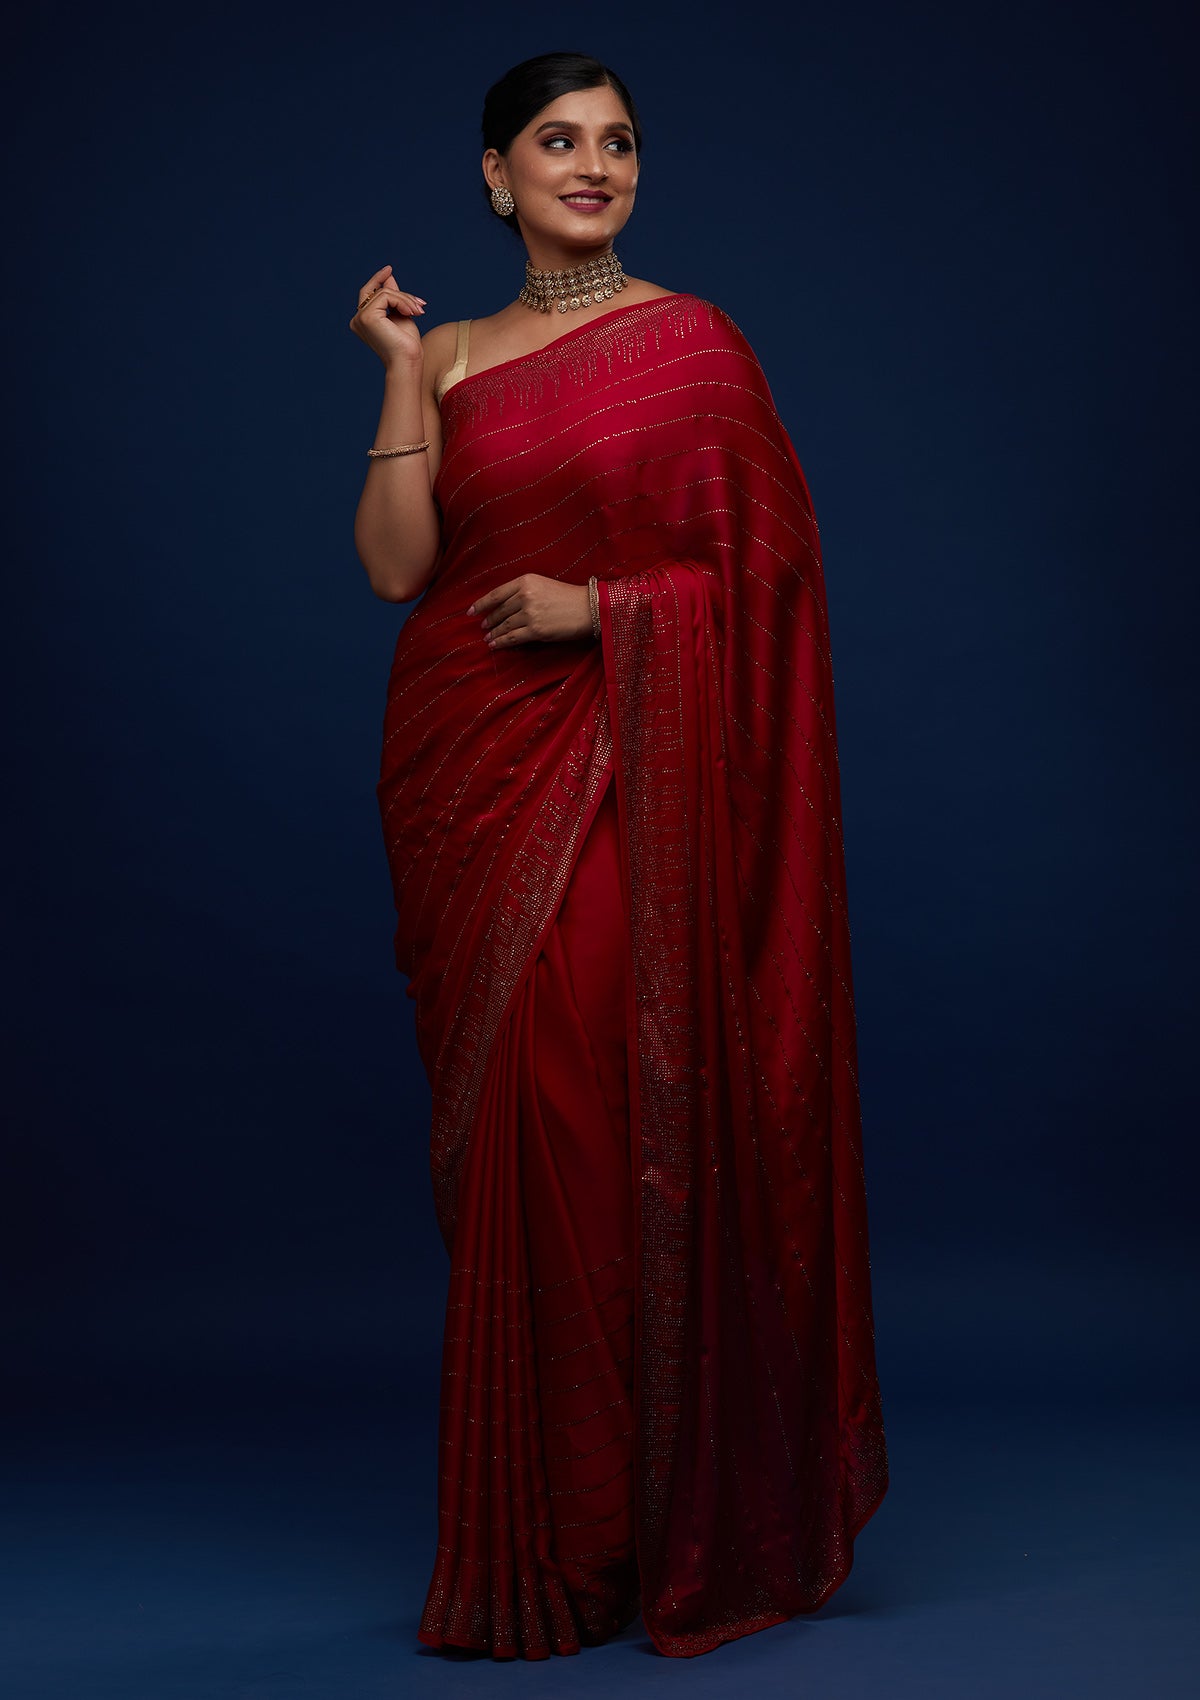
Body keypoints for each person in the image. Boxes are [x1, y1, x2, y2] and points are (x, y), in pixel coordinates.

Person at [349, 50, 889, 1662]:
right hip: (462, 773)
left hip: (610, 778)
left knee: (595, 1118)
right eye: (559, 140)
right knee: (504, 1140)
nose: (595, 166)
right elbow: (398, 571)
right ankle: (542, 1522)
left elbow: (770, 581)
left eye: (619, 143)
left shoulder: (694, 344)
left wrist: (609, 613)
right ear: (496, 174)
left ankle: (622, 1525)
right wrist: (398, 369)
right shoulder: (449, 351)